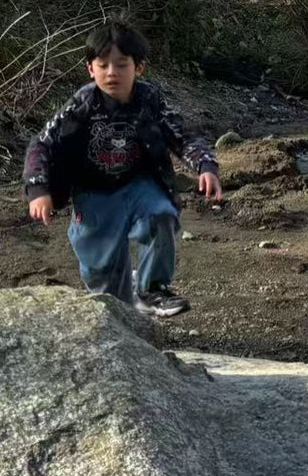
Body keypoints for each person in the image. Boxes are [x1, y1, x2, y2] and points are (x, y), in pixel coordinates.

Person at [23, 20, 221, 317]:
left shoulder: (149, 99)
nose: (111, 72)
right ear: (90, 69)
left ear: (138, 68)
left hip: (139, 183)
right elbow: (42, 144)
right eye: (102, 65)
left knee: (160, 215)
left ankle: (153, 290)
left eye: (121, 64)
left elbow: (180, 133)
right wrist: (39, 189)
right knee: (108, 289)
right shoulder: (82, 104)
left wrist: (205, 165)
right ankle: (120, 294)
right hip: (92, 191)